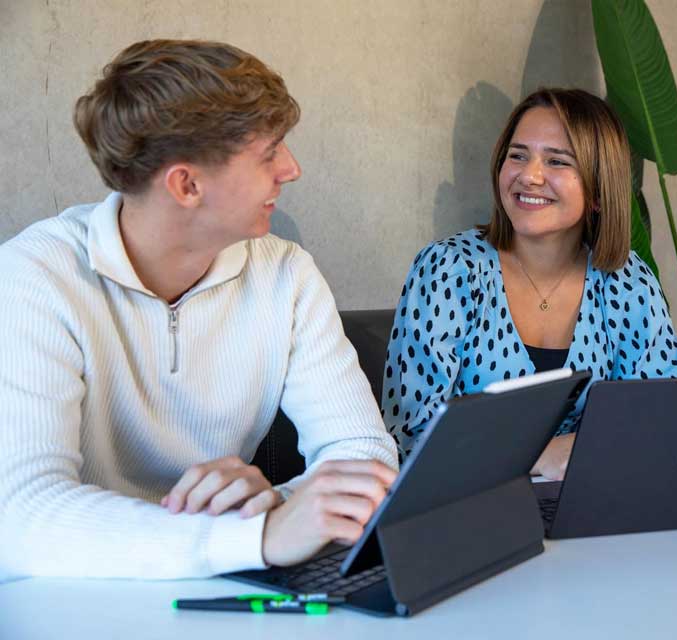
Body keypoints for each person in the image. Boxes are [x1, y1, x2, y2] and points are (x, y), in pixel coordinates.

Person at [0, 40, 398, 580]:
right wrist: (253, 535)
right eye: (269, 153)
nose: (292, 168)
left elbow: (362, 454)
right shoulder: (33, 278)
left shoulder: (286, 274)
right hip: (69, 598)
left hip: (223, 583)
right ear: (186, 184)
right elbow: (21, 518)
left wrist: (274, 506)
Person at [382, 88, 677, 477]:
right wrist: (541, 455)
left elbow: (654, 423)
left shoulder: (629, 283)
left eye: (557, 161)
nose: (529, 175)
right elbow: (412, 435)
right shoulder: (448, 270)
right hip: (463, 512)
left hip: (594, 510)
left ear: (598, 190)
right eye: (518, 155)